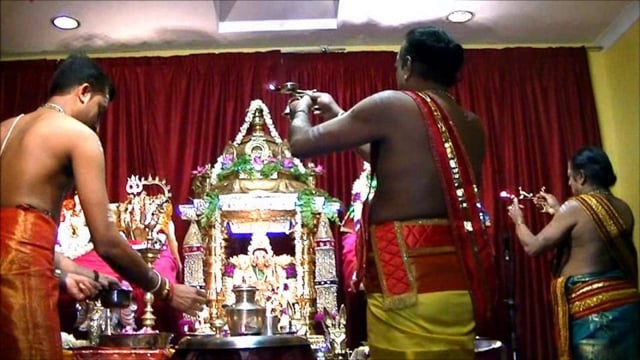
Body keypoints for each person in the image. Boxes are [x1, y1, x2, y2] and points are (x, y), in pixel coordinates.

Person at [286, 26, 495, 359]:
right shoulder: (471, 123)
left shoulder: (393, 104)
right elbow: (395, 160)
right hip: (456, 281)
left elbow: (300, 144)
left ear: (408, 65)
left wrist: (300, 109)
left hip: (405, 280)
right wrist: (337, 113)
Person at [0, 54, 206, 359]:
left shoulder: (5, 129)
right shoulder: (79, 135)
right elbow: (106, 241)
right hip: (23, 282)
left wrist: (82, 273)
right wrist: (166, 289)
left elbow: (12, 236)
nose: (99, 121)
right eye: (101, 107)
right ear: (84, 91)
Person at [507, 146, 639, 359]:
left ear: (582, 176)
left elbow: (533, 246)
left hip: (594, 315)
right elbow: (590, 235)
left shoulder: (575, 206)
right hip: (627, 306)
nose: (568, 183)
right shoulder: (623, 207)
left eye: (570, 177)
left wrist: (519, 221)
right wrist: (559, 211)